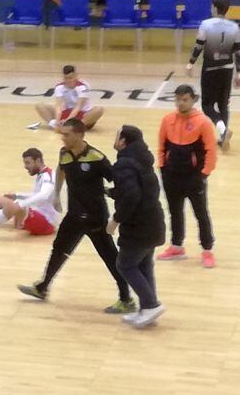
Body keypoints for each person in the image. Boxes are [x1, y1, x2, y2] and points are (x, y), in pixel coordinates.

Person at [17, 119, 136, 315]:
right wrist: (56, 193)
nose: (62, 137)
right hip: (74, 215)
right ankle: (42, 287)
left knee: (109, 257)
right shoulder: (64, 153)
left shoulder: (96, 157)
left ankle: (126, 298)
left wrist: (114, 195)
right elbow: (61, 169)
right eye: (62, 134)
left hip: (95, 218)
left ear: (80, 135)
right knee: (59, 250)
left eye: (66, 134)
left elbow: (119, 179)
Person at [108, 125, 167, 328]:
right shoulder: (143, 159)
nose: (115, 139)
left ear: (123, 141)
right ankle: (147, 308)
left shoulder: (124, 164)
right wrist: (114, 192)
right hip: (153, 221)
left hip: (139, 225)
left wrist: (115, 219)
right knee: (143, 265)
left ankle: (150, 305)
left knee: (125, 265)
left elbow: (132, 195)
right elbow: (140, 189)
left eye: (117, 136)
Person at [156, 84, 218, 268]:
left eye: (185, 99)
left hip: (194, 177)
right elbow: (161, 146)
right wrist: (162, 168)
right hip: (171, 175)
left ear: (193, 100)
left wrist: (204, 174)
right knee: (175, 212)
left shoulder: (203, 123)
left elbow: (211, 151)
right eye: (178, 99)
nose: (181, 103)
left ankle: (207, 250)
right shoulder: (167, 120)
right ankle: (177, 247)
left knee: (201, 214)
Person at [186, 0, 240, 148]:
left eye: (212, 7)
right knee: (223, 104)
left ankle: (223, 131)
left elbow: (199, 46)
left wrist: (191, 63)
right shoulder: (235, 27)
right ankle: (223, 138)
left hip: (210, 68)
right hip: (227, 69)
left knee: (207, 105)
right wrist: (239, 74)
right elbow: (238, 52)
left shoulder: (206, 24)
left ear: (215, 8)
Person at [29, 64, 104, 130]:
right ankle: (54, 124)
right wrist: (57, 121)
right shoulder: (59, 87)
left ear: (75, 76)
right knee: (40, 106)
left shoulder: (83, 87)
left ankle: (76, 127)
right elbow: (58, 106)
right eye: (66, 78)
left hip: (83, 115)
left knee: (99, 110)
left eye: (70, 78)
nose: (68, 81)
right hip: (67, 112)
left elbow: (78, 107)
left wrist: (67, 121)